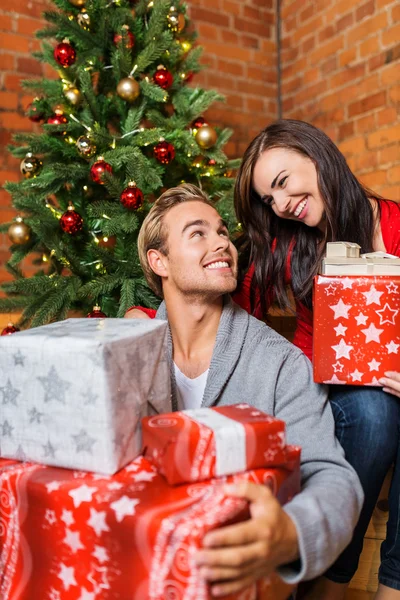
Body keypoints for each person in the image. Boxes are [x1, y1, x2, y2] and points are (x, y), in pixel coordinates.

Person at [130, 182, 363, 598]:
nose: (221, 243)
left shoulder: (282, 364)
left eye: (222, 232)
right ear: (159, 261)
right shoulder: (129, 354)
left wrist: (290, 533)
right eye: (198, 233)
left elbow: (333, 479)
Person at [232, 119, 400, 600]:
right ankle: (328, 584)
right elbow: (228, 310)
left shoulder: (393, 222)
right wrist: (157, 315)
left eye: (282, 183)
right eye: (269, 199)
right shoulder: (287, 244)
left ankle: (392, 586)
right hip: (330, 391)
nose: (281, 205)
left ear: (317, 156)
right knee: (374, 412)